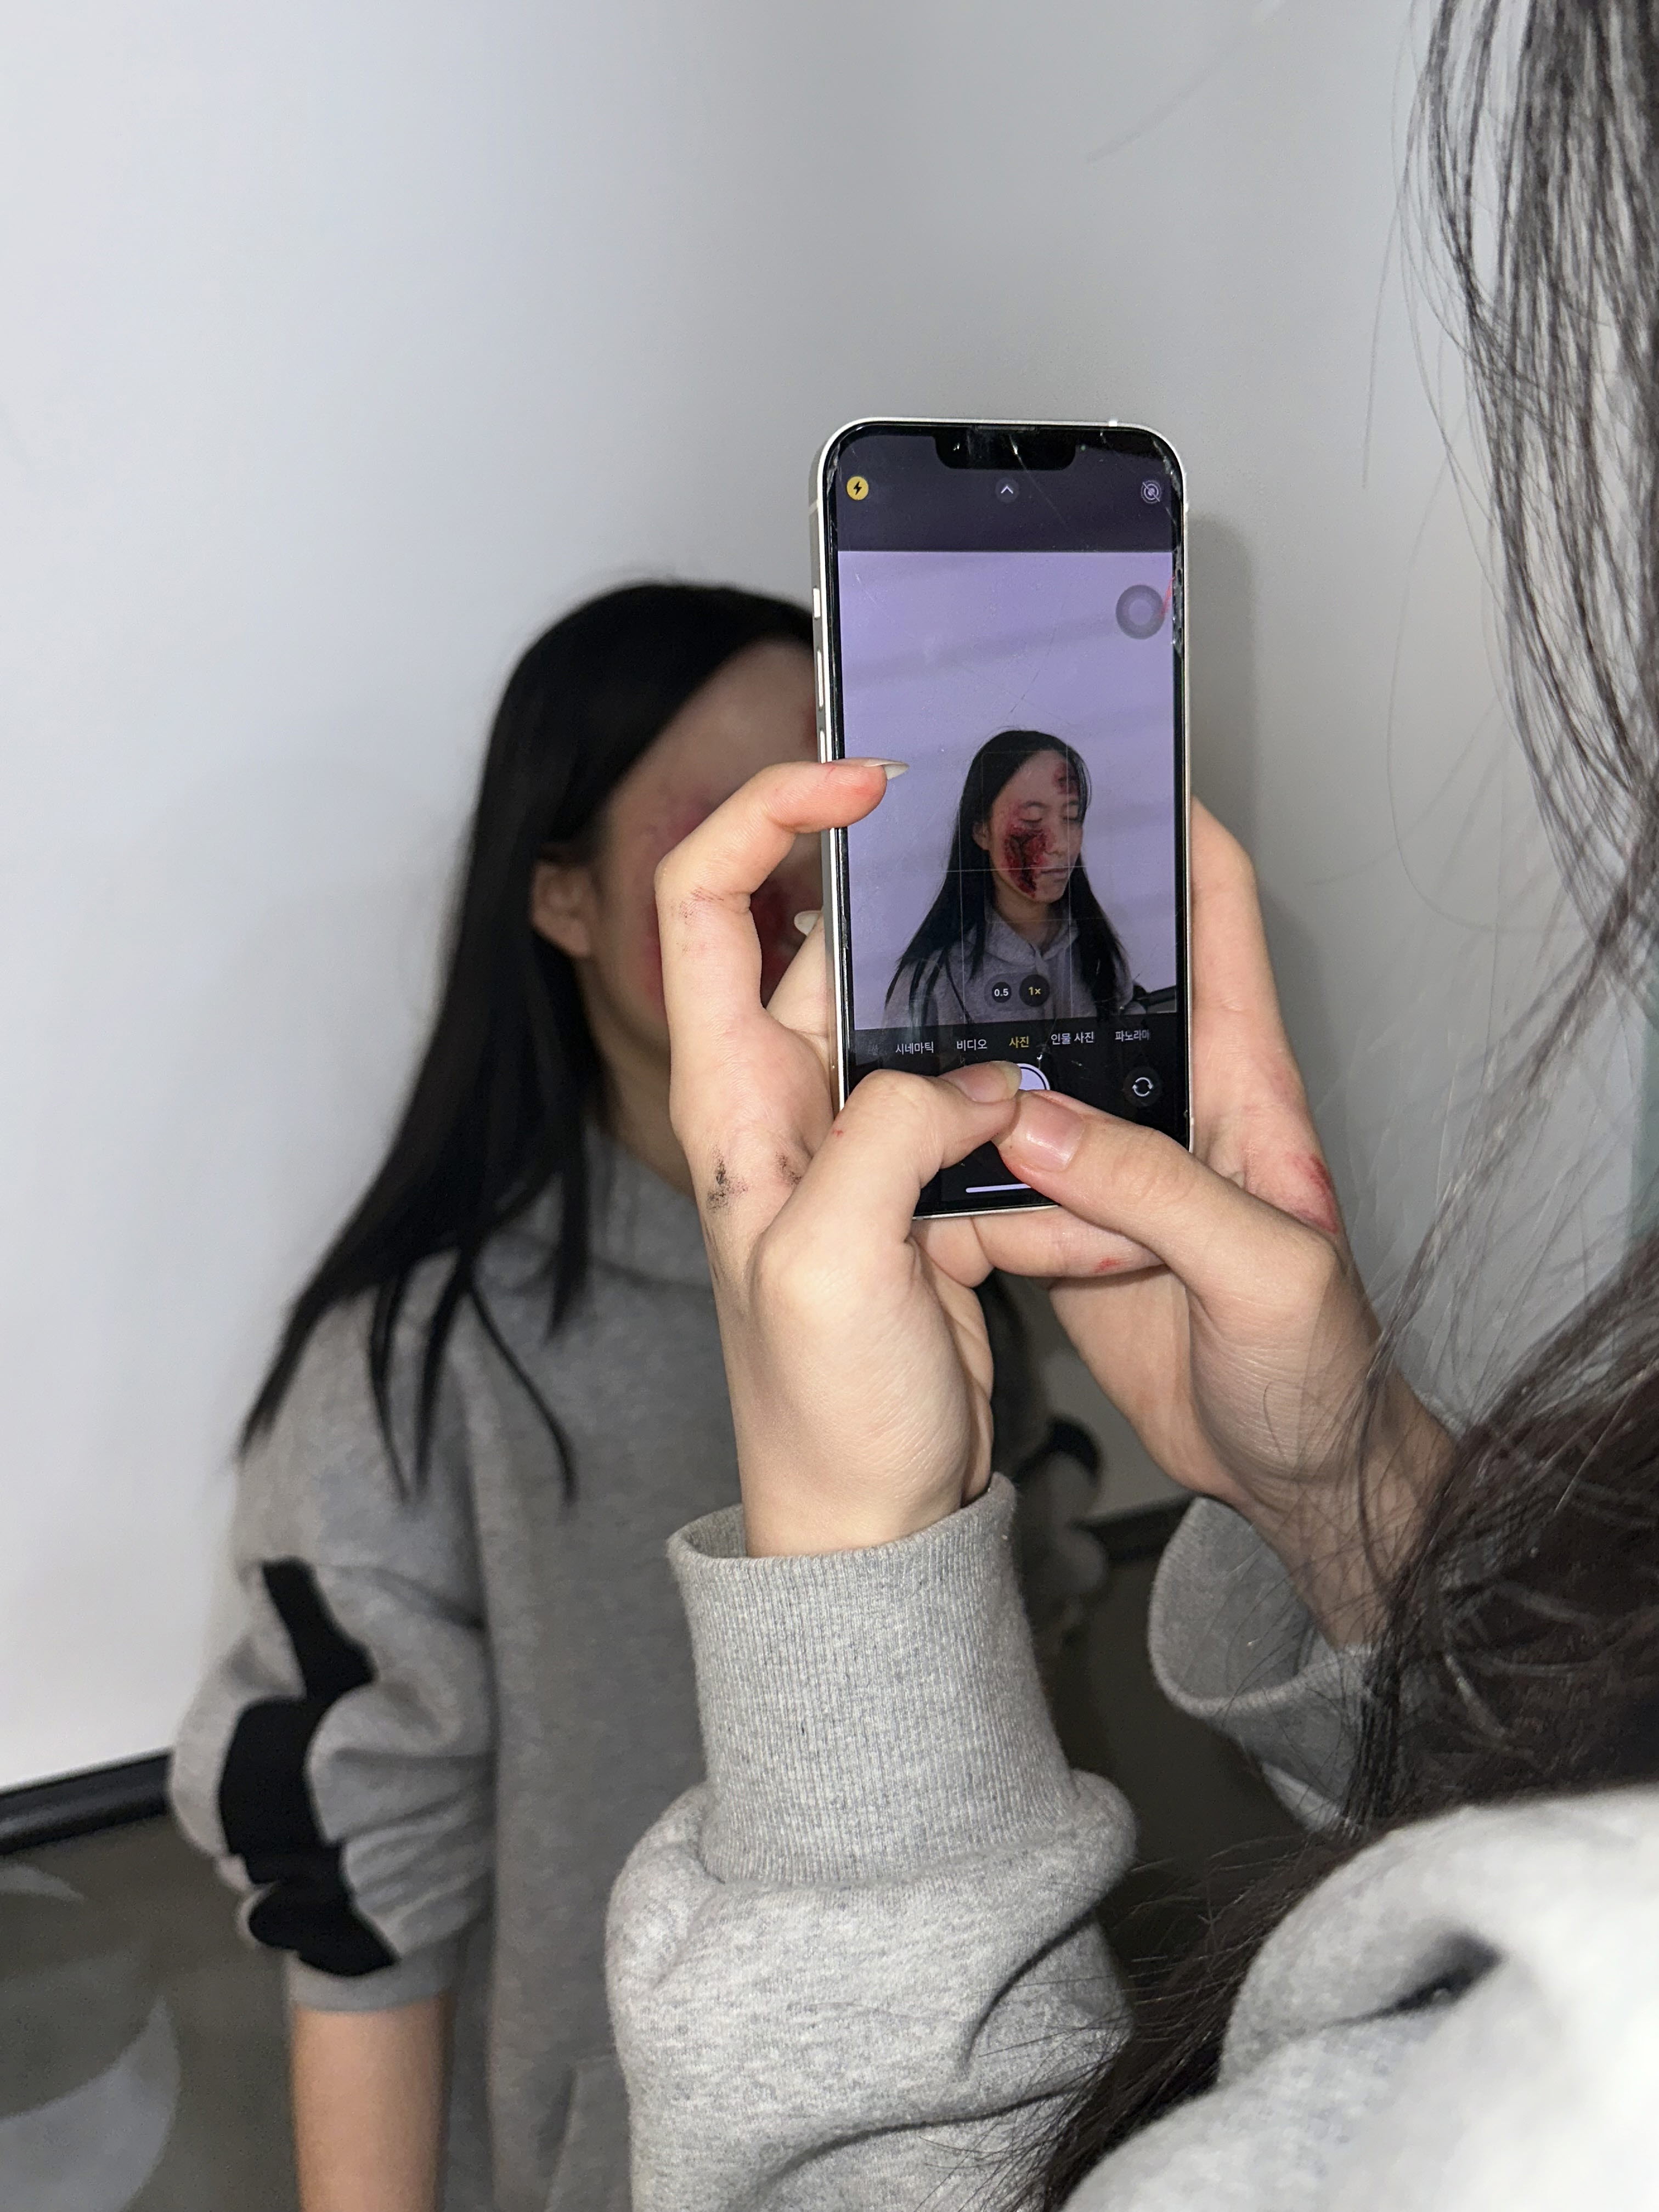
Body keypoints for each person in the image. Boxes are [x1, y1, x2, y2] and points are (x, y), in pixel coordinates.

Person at [605, 3, 1659, 2205]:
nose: (1049, 832)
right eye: (1025, 801)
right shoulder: (919, 985)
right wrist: (1348, 1492)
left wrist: (852, 1568)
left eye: (1075, 808)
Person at [170, 582, 827, 2212]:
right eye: (735, 829)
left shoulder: (956, 1275)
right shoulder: (418, 1368)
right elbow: (364, 1905)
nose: (809, 887)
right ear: (563, 895)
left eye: (841, 820)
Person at [882, 730, 1157, 1028]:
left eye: (1071, 817)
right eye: (1032, 820)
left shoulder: (1101, 952)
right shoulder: (932, 980)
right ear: (982, 831)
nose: (1061, 845)